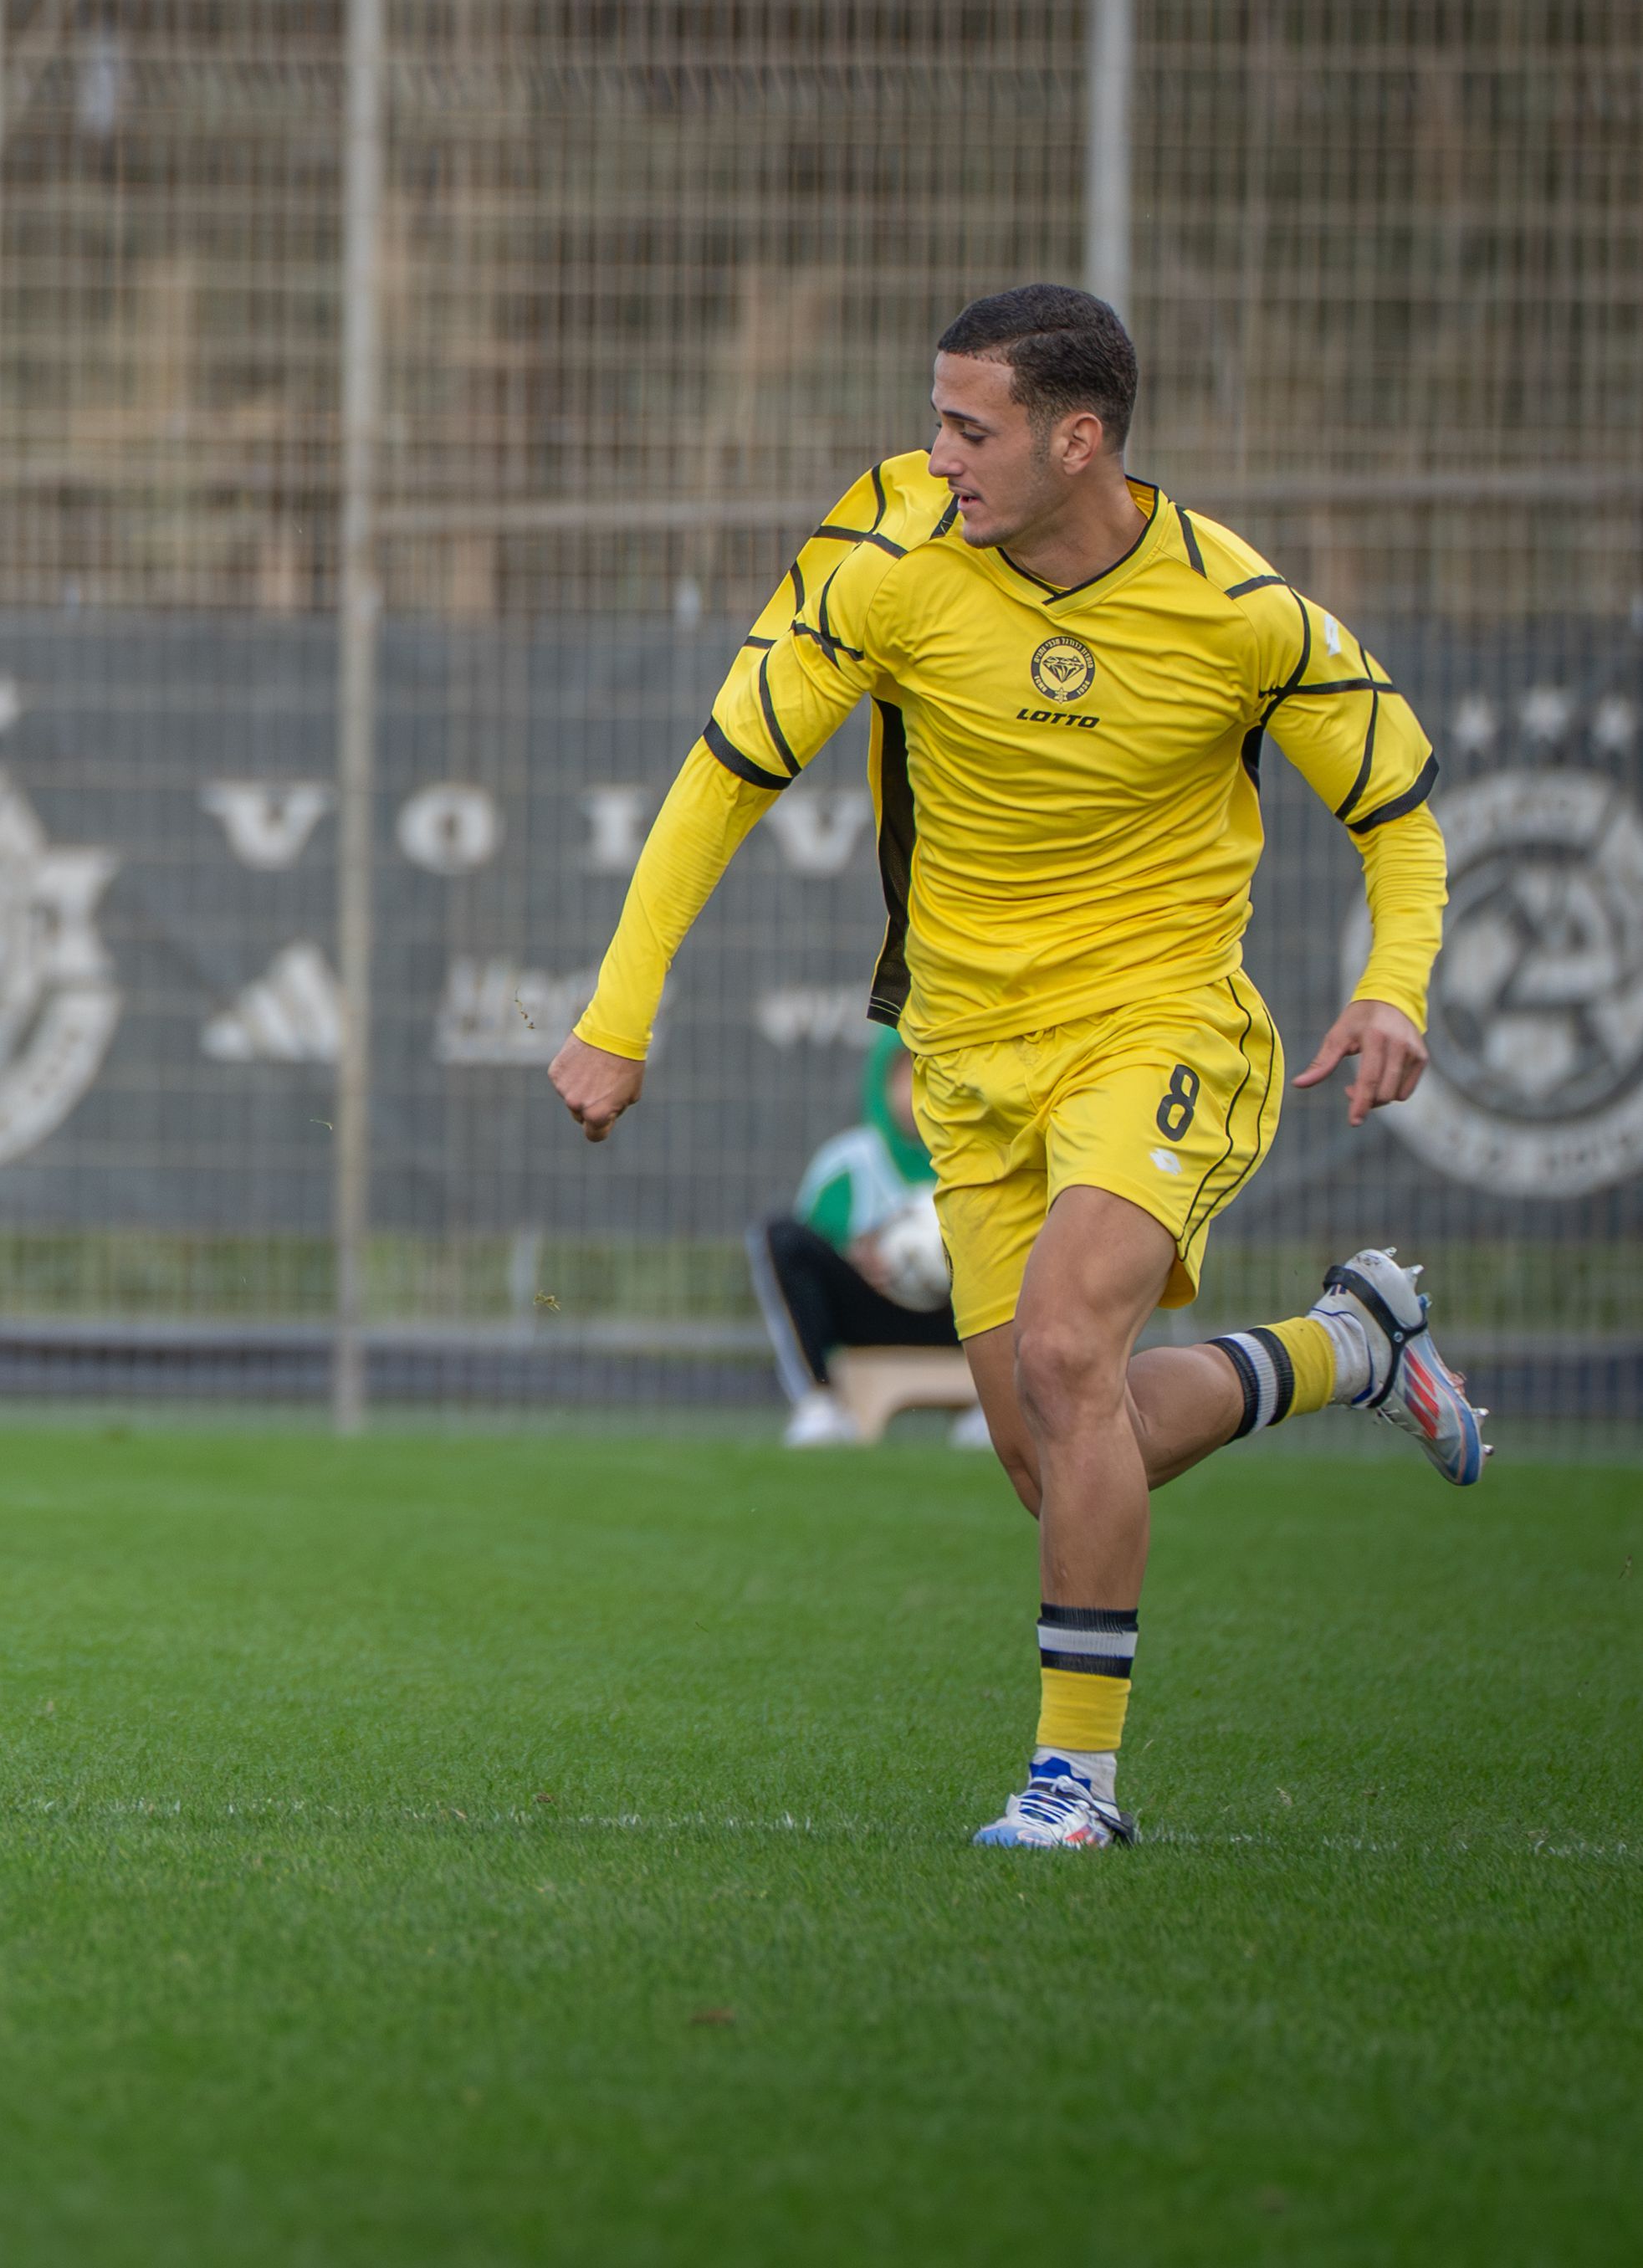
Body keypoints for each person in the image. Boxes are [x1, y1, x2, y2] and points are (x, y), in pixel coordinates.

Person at [550, 284, 1479, 1852]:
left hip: (1161, 1026)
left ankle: (1074, 1785)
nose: (937, 455)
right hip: (965, 1057)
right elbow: (725, 772)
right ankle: (1345, 1350)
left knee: (1064, 1353)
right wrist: (616, 1009)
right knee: (1050, 1456)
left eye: (968, 429)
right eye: (935, 420)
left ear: (1077, 439)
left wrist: (1392, 988)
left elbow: (1398, 816)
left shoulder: (1237, 608)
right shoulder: (890, 559)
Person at [750, 1026, 973, 1447]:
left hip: (961, 1318)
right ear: (881, 1084)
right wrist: (854, 1257)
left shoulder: (979, 1160)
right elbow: (812, 1254)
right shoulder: (846, 1164)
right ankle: (819, 1403)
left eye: (930, 1076)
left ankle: (997, 1404)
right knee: (781, 1237)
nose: (916, 1093)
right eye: (905, 1077)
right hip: (874, 1313)